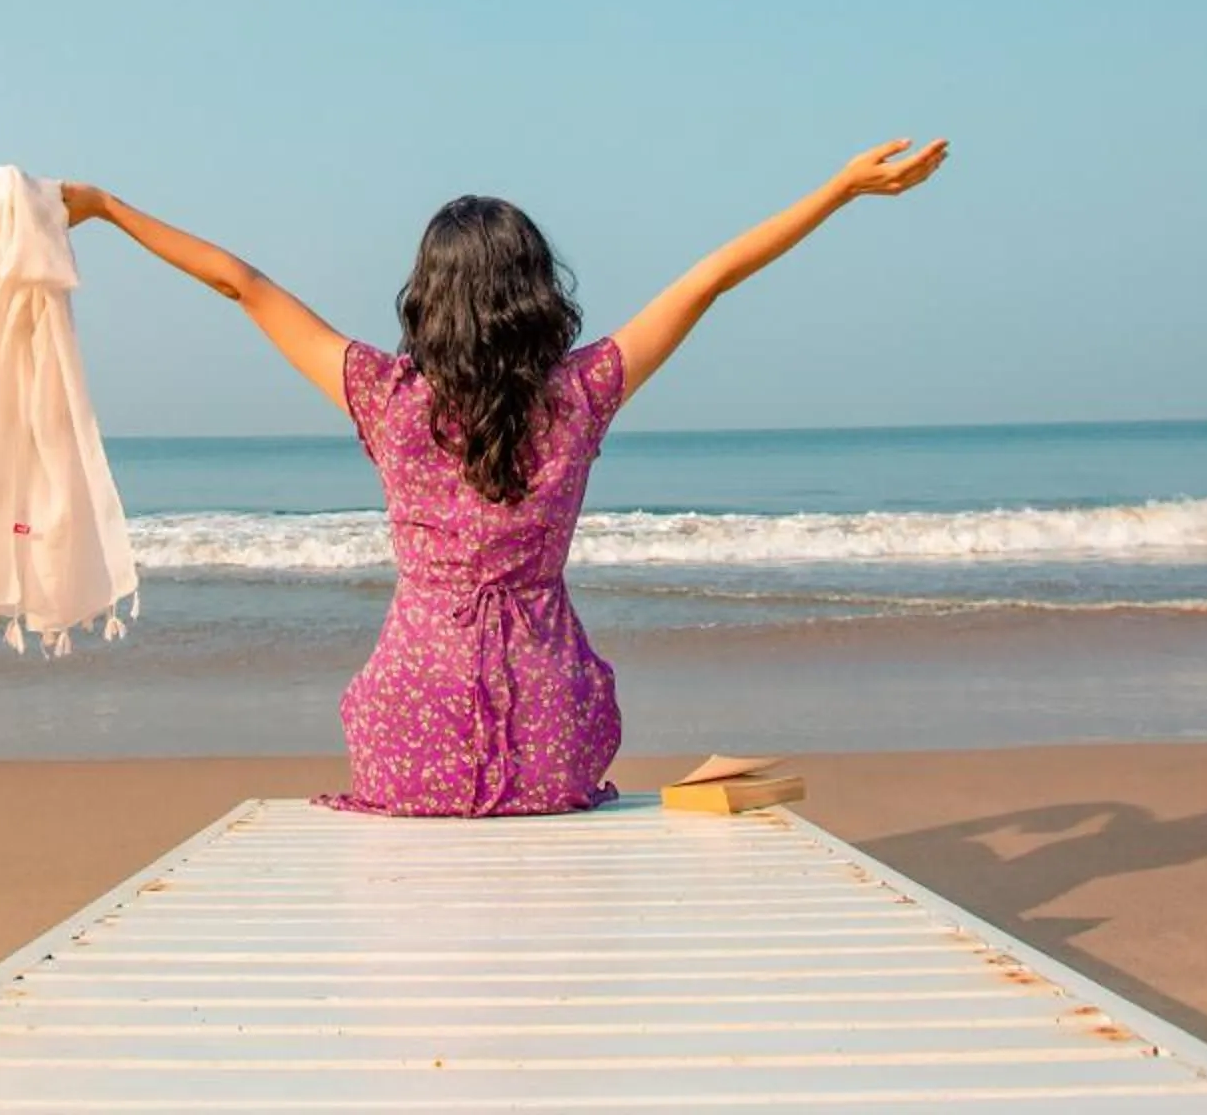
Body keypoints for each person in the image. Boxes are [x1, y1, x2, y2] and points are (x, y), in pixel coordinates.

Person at [59, 135, 950, 817]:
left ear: (426, 298)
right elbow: (710, 279)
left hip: (406, 748)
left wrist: (106, 205)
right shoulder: (583, 391)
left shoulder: (383, 394)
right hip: (551, 748)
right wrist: (838, 190)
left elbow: (242, 285)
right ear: (535, 291)